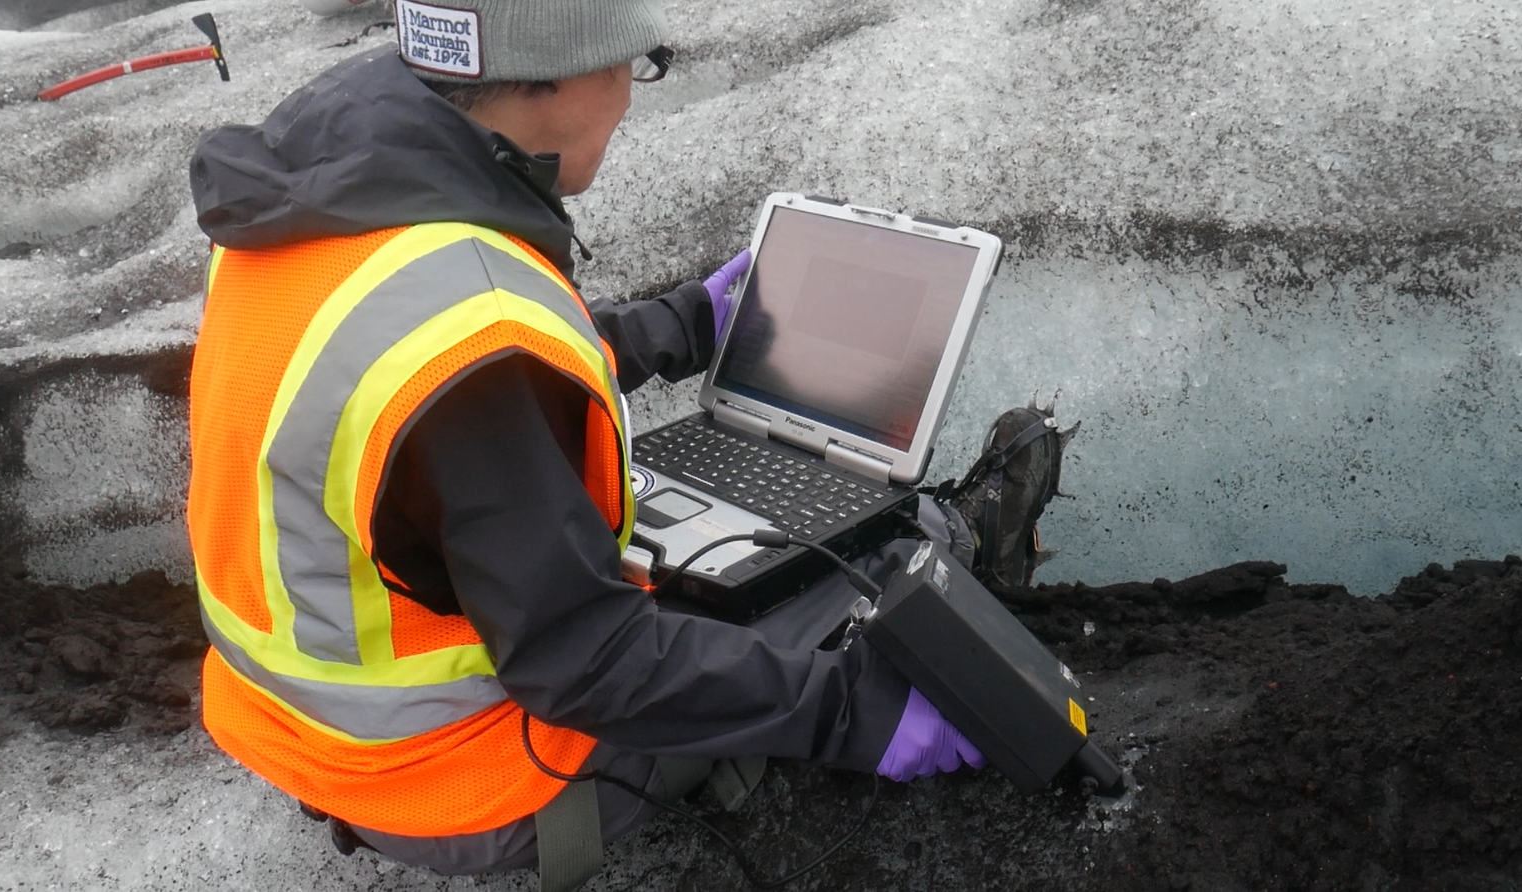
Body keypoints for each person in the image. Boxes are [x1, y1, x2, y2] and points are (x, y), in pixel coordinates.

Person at [185, 0, 985, 886]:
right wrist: (855, 713)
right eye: (630, 66)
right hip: (451, 780)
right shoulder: (475, 343)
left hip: (292, 725)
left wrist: (677, 326)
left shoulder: (324, 199)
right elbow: (588, 662)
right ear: (557, 74)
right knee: (866, 564)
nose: (629, 99)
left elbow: (437, 397)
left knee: (711, 571)